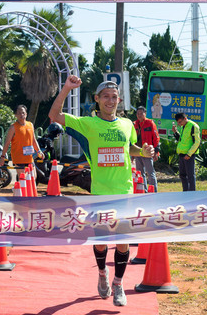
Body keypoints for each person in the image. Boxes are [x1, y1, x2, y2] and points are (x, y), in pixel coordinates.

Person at [49, 76, 154, 307]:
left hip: (124, 190)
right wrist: (67, 88)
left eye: (114, 97)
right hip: (100, 192)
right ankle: (102, 273)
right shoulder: (88, 123)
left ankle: (118, 283)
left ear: (119, 100)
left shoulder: (127, 124)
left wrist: (143, 152)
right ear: (97, 99)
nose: (110, 100)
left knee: (123, 239)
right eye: (105, 96)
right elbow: (54, 116)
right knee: (101, 241)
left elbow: (130, 148)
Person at [0, 105, 44, 179]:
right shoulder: (13, 127)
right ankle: (20, 189)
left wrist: (39, 151)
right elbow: (7, 143)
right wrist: (2, 157)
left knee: (33, 177)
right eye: (19, 113)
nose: (21, 115)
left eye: (23, 113)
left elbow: (33, 140)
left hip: (29, 157)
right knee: (24, 178)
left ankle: (17, 189)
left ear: (26, 114)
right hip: (18, 157)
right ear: (16, 115)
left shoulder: (30, 125)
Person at [172, 112, 200, 192]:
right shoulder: (183, 126)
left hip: (188, 155)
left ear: (185, 118)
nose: (179, 124)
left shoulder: (193, 126)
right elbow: (181, 140)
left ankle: (191, 193)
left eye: (180, 122)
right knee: (182, 175)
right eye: (178, 122)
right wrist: (175, 132)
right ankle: (185, 192)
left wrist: (189, 154)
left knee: (190, 175)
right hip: (182, 154)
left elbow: (197, 142)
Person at [133, 106, 160, 191]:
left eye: (141, 113)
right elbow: (132, 139)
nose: (139, 115)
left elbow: (156, 138)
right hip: (138, 152)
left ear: (145, 114)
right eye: (138, 114)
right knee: (140, 173)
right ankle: (143, 190)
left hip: (148, 152)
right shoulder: (135, 124)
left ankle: (154, 191)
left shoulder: (150, 123)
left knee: (150, 173)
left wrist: (156, 152)